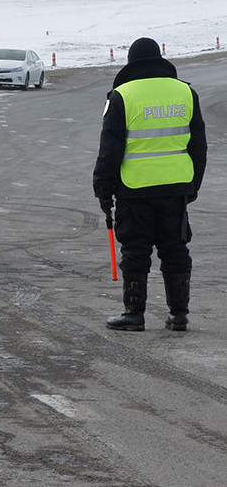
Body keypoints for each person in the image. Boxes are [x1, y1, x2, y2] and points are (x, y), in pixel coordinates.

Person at [93, 36, 207, 332]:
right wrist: (193, 184)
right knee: (175, 248)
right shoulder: (185, 93)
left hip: (135, 188)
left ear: (131, 64)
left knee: (136, 250)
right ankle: (179, 314)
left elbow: (110, 149)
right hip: (176, 187)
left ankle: (134, 313)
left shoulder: (121, 96)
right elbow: (199, 145)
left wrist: (103, 190)